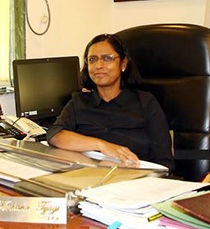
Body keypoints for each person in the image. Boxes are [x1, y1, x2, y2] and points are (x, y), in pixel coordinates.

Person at [46, 33, 175, 171]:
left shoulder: (146, 103)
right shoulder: (79, 102)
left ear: (123, 64)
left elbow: (164, 162)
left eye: (107, 58)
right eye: (92, 59)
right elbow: (55, 135)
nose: (98, 65)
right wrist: (101, 145)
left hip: (136, 180)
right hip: (89, 179)